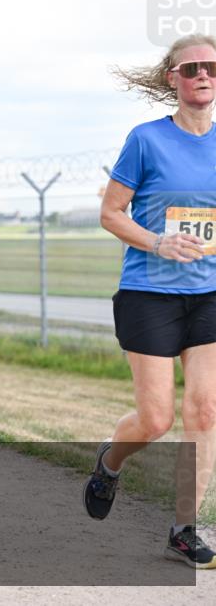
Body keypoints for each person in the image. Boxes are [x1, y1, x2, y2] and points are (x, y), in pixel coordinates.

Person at [85, 34, 216, 569]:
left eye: (210, 66)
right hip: (150, 294)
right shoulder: (146, 139)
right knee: (157, 419)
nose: (202, 75)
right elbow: (112, 213)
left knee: (205, 411)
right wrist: (159, 241)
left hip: (208, 293)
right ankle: (111, 463)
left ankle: (184, 529)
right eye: (191, 69)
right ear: (172, 80)